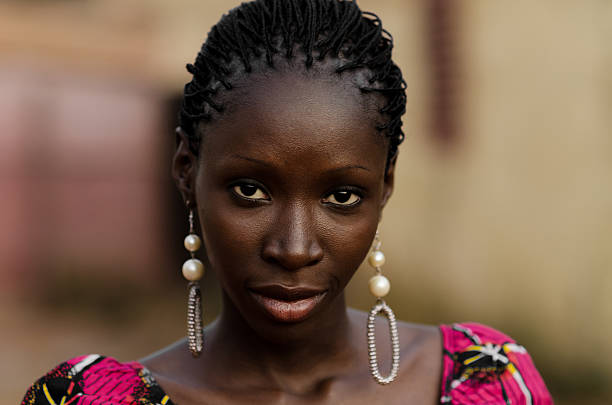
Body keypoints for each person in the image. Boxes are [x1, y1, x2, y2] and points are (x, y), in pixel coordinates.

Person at [21, 1, 553, 404]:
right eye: (250, 191)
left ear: (384, 188)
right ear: (187, 171)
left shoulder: (486, 382)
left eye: (342, 196)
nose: (294, 249)